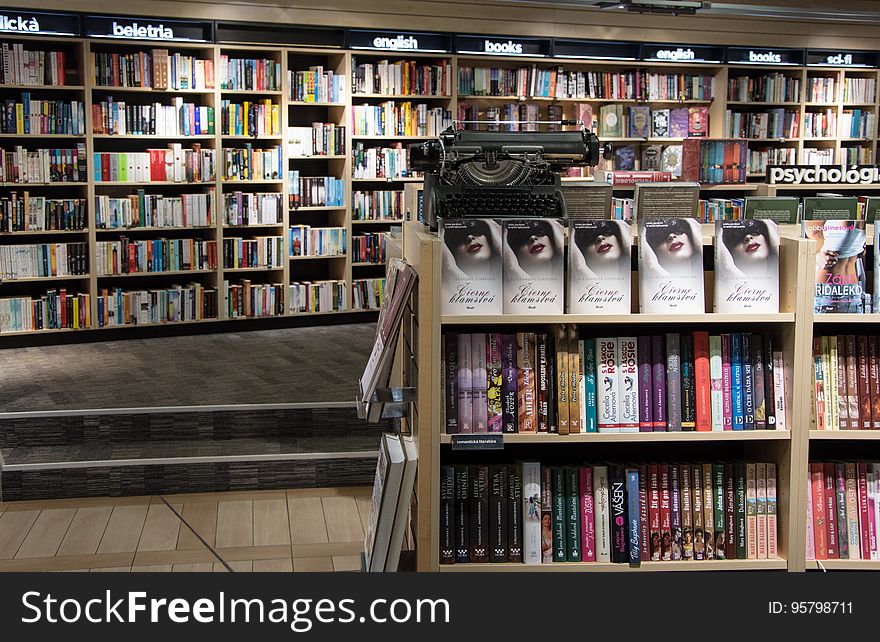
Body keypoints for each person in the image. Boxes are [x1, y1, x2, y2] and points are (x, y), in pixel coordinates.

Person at [803, 219, 866, 313]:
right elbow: (803, 250)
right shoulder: (814, 220)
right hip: (827, 291)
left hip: (853, 290)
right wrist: (815, 257)